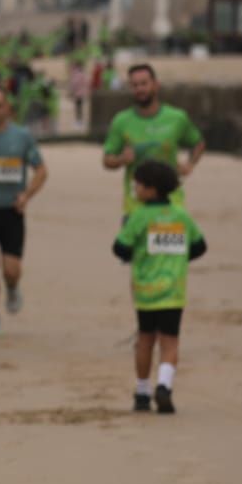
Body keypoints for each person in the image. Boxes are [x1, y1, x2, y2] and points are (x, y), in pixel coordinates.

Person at [113, 161, 207, 414]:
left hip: (146, 291)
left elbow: (119, 248)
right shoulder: (181, 215)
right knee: (170, 342)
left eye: (138, 185)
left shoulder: (139, 216)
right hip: (173, 291)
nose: (135, 189)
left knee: (145, 339)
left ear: (151, 189)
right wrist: (178, 258)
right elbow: (200, 247)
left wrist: (138, 255)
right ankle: (164, 385)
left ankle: (142, 392)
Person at [0, 87, 48, 337]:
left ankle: (12, 287)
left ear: (8, 109)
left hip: (12, 210)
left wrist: (26, 195)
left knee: (10, 270)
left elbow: (41, 170)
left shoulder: (22, 136)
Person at [102, 63, 205, 217]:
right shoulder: (121, 121)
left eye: (144, 84)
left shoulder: (177, 118)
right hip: (135, 208)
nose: (139, 89)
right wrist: (121, 159)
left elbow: (198, 143)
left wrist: (190, 164)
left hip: (172, 205)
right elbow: (107, 160)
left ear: (156, 85)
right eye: (134, 85)